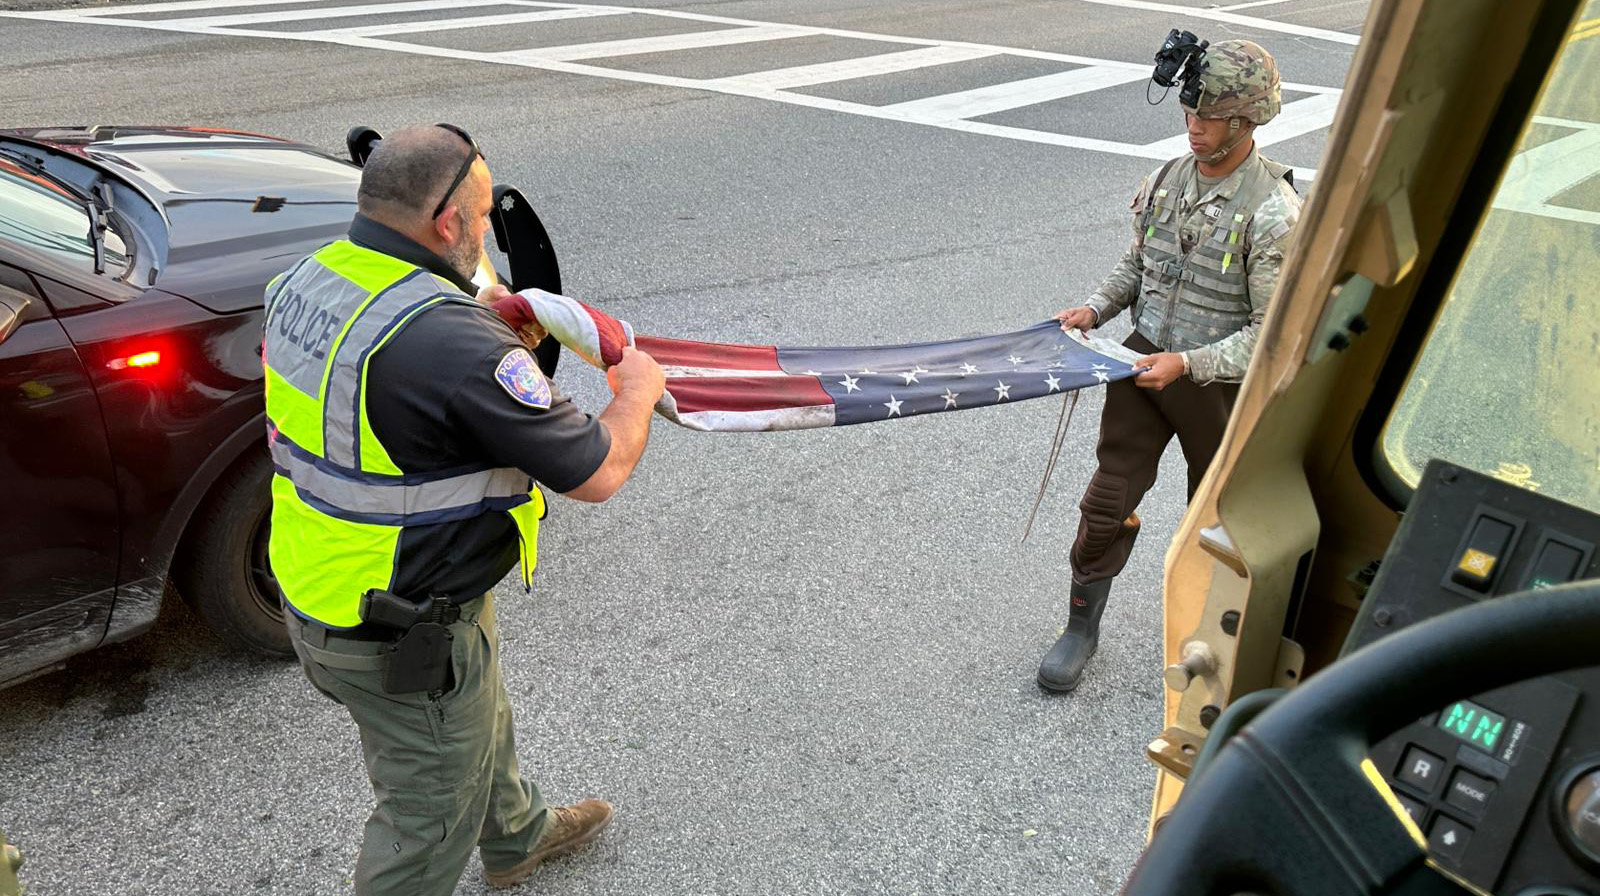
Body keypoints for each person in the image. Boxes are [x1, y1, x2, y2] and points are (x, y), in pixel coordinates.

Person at [264, 124, 665, 893]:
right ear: (447, 223)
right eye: (482, 219)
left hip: (321, 577)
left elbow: (387, 405)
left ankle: (516, 836)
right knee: (424, 822)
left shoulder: (308, 281)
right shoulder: (452, 343)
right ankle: (482, 839)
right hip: (397, 625)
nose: (485, 233)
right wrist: (640, 389)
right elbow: (597, 470)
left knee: (476, 709)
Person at [1039, 41, 1302, 693]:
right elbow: (1138, 265)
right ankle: (1080, 628)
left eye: (1209, 116)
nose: (1193, 125)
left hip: (1217, 388)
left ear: (1246, 123)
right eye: (1190, 110)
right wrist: (1095, 310)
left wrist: (1188, 362)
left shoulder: (1273, 212)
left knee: (1213, 529)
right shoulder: (1164, 181)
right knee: (1105, 503)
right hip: (1141, 367)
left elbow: (1270, 337)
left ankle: (1213, 647)